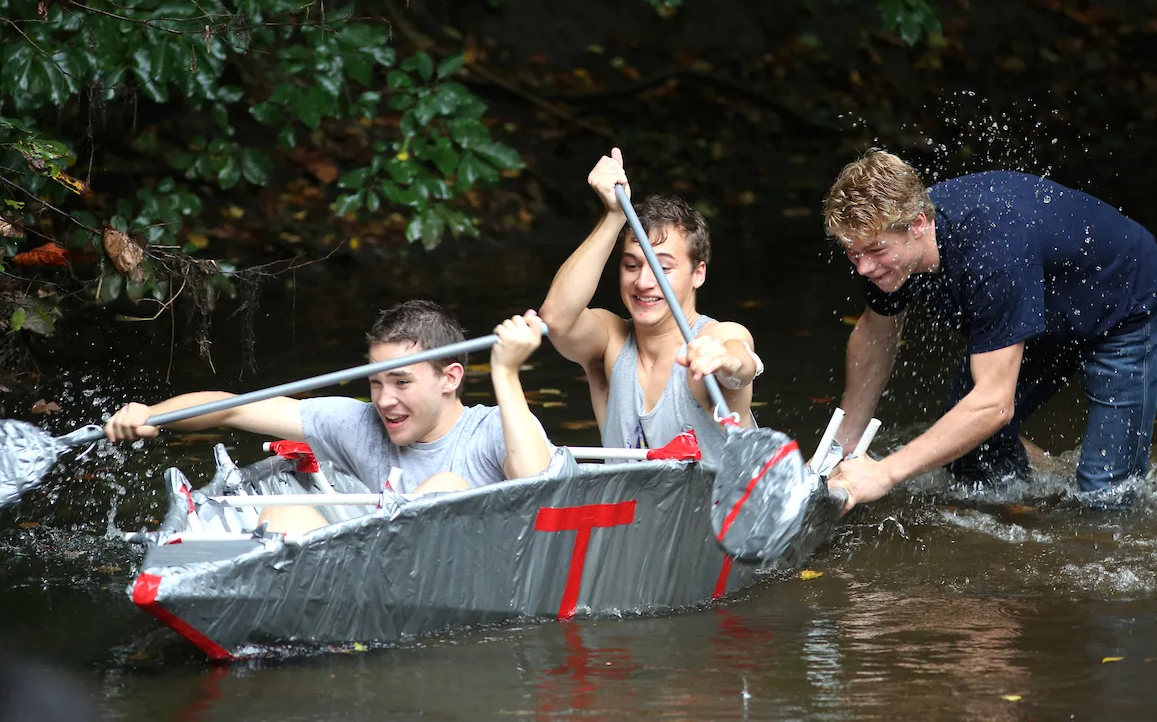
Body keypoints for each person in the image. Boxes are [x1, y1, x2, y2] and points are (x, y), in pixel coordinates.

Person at [822, 149, 1157, 511]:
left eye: (875, 251)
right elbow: (876, 335)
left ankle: (1089, 498)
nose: (863, 267)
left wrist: (884, 475)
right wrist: (842, 446)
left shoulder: (989, 253)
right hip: (1038, 304)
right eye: (853, 253)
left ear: (917, 224)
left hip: (1128, 304)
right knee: (969, 456)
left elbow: (993, 405)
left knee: (1104, 498)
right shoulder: (881, 258)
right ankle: (1046, 489)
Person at [105, 300, 558, 533]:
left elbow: (543, 488)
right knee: (288, 513)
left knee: (446, 488)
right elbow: (237, 406)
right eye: (376, 383)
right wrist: (153, 416)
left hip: (471, 576)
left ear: (449, 377)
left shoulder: (497, 428)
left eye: (401, 383)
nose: (384, 401)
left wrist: (506, 370)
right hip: (381, 581)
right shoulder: (358, 423)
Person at [539, 147, 762, 465]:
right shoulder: (609, 341)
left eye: (663, 268)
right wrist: (614, 217)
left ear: (698, 273)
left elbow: (742, 365)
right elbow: (556, 319)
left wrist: (723, 361)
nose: (644, 282)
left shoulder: (714, 338)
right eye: (632, 266)